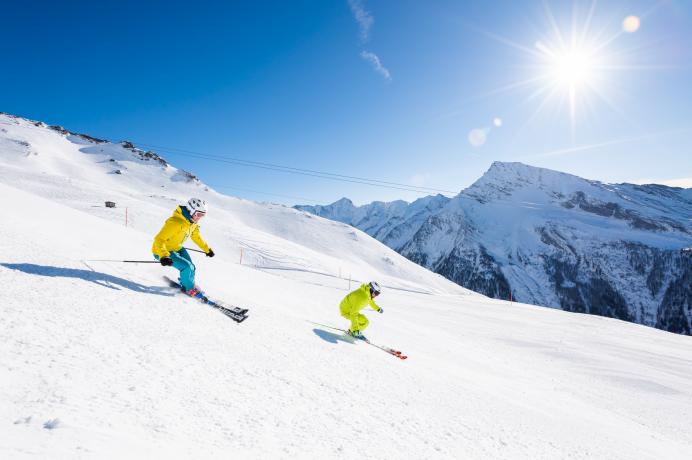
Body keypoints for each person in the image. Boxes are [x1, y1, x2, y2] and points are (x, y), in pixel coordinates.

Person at [152, 198, 215, 298]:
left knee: (191, 267)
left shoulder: (192, 223)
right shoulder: (175, 222)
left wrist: (207, 249)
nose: (200, 218)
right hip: (162, 251)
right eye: (199, 214)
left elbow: (196, 237)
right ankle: (189, 289)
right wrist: (164, 256)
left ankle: (187, 282)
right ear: (191, 210)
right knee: (186, 267)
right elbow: (159, 239)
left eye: (202, 215)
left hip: (176, 248)